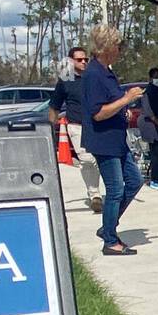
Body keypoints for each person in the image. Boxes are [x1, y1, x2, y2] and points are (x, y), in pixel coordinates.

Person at [83, 23, 145, 256]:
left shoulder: (107, 72)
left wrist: (122, 109)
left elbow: (111, 104)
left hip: (117, 140)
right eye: (118, 46)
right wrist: (126, 99)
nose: (120, 50)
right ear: (107, 47)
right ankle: (110, 240)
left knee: (135, 180)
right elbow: (98, 113)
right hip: (104, 141)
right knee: (115, 188)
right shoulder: (93, 74)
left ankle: (108, 225)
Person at [49, 45, 103, 212]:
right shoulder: (66, 82)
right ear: (71, 62)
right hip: (76, 126)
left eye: (85, 59)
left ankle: (106, 190)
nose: (84, 62)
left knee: (99, 160)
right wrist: (50, 130)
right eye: (79, 59)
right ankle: (94, 195)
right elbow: (54, 106)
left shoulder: (94, 78)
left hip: (97, 125)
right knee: (87, 159)